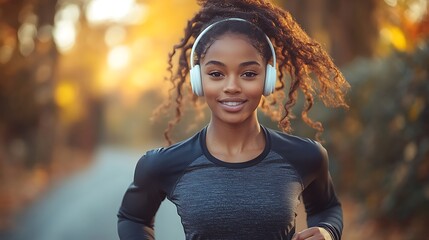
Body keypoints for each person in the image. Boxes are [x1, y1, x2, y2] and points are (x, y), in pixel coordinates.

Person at [117, 0, 350, 239]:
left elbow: (327, 208)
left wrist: (327, 231)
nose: (232, 87)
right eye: (216, 74)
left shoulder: (305, 155)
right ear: (198, 80)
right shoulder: (162, 164)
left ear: (268, 78)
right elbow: (133, 218)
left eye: (248, 74)